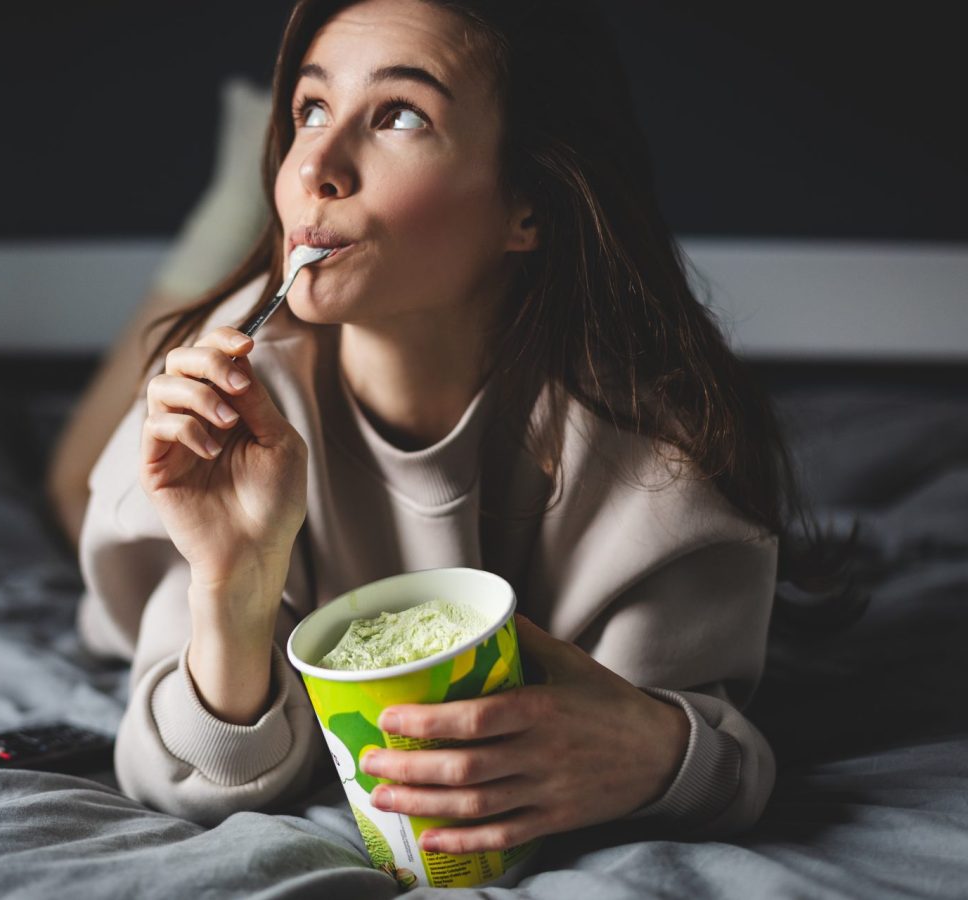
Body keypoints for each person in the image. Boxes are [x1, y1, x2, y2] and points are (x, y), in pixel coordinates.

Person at [52, 0, 844, 853]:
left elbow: (720, 754)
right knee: (69, 483)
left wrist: (661, 754)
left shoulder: (662, 464)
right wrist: (233, 587)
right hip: (152, 511)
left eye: (398, 114)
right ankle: (222, 208)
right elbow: (183, 772)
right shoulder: (229, 401)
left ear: (527, 208)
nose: (314, 162)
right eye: (307, 110)